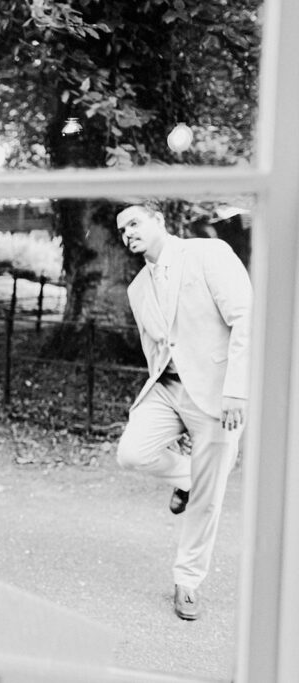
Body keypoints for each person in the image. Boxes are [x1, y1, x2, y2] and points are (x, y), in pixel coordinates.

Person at [114, 200, 251, 621]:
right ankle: (191, 478)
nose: (128, 233)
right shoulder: (138, 287)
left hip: (217, 390)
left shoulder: (207, 254)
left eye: (134, 223)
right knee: (132, 453)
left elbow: (246, 318)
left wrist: (237, 391)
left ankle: (187, 579)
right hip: (168, 387)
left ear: (159, 220)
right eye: (122, 230)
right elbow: (155, 347)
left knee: (209, 498)